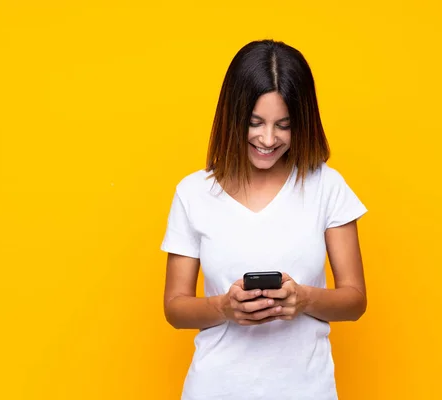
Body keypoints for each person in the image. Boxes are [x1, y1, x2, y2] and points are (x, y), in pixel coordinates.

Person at [161, 39, 367, 400]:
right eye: (255, 123)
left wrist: (302, 299)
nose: (268, 139)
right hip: (215, 389)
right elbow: (175, 308)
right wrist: (223, 307)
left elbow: (355, 300)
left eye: (283, 126)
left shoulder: (326, 186)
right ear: (233, 116)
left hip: (307, 389)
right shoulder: (192, 193)